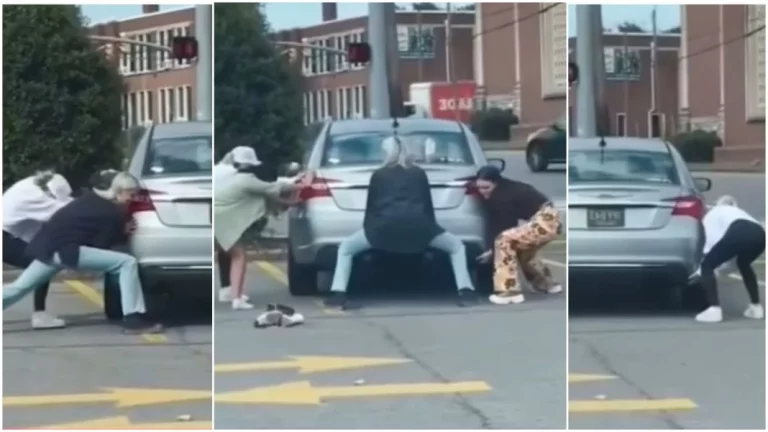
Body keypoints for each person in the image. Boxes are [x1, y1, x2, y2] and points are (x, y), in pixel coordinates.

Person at [324, 135, 478, 310]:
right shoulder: (419, 173)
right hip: (420, 227)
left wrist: (370, 231)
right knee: (456, 246)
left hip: (382, 228)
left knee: (345, 249)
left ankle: (338, 293)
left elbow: (372, 206)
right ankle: (466, 291)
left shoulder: (379, 175)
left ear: (386, 153)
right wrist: (430, 230)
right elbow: (427, 205)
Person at [3, 170, 161, 334]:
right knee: (126, 262)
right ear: (118, 191)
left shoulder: (90, 199)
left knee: (19, 288)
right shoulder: (113, 212)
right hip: (67, 251)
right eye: (131, 194)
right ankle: (133, 319)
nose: (133, 198)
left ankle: (130, 316)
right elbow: (101, 246)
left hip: (48, 249)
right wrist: (124, 231)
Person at [214, 146, 310, 310]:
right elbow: (275, 189)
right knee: (239, 256)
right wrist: (302, 185)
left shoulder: (234, 178)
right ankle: (236, 298)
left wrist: (292, 202)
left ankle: (234, 294)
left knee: (235, 254)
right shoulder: (247, 180)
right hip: (223, 221)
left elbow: (268, 195)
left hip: (217, 218)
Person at [474, 165, 563, 305]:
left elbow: (504, 226)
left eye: (486, 188)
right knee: (523, 250)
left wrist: (492, 250)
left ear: (496, 183)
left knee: (504, 241)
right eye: (479, 188)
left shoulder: (501, 196)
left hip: (544, 221)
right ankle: (547, 284)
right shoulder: (508, 188)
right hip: (552, 218)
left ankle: (509, 291)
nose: (482, 192)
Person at [3, 170, 74, 329]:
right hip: (4, 238)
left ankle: (40, 313)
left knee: (41, 262)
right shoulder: (37, 198)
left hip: (8, 235)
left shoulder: (28, 183)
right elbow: (65, 211)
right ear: (49, 192)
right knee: (44, 262)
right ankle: (40, 315)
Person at [695, 195, 765, 323]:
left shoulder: (713, 214)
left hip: (738, 231)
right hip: (760, 235)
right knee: (744, 264)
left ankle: (714, 309)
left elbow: (711, 240)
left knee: (707, 265)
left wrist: (705, 257)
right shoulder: (738, 212)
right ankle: (756, 307)